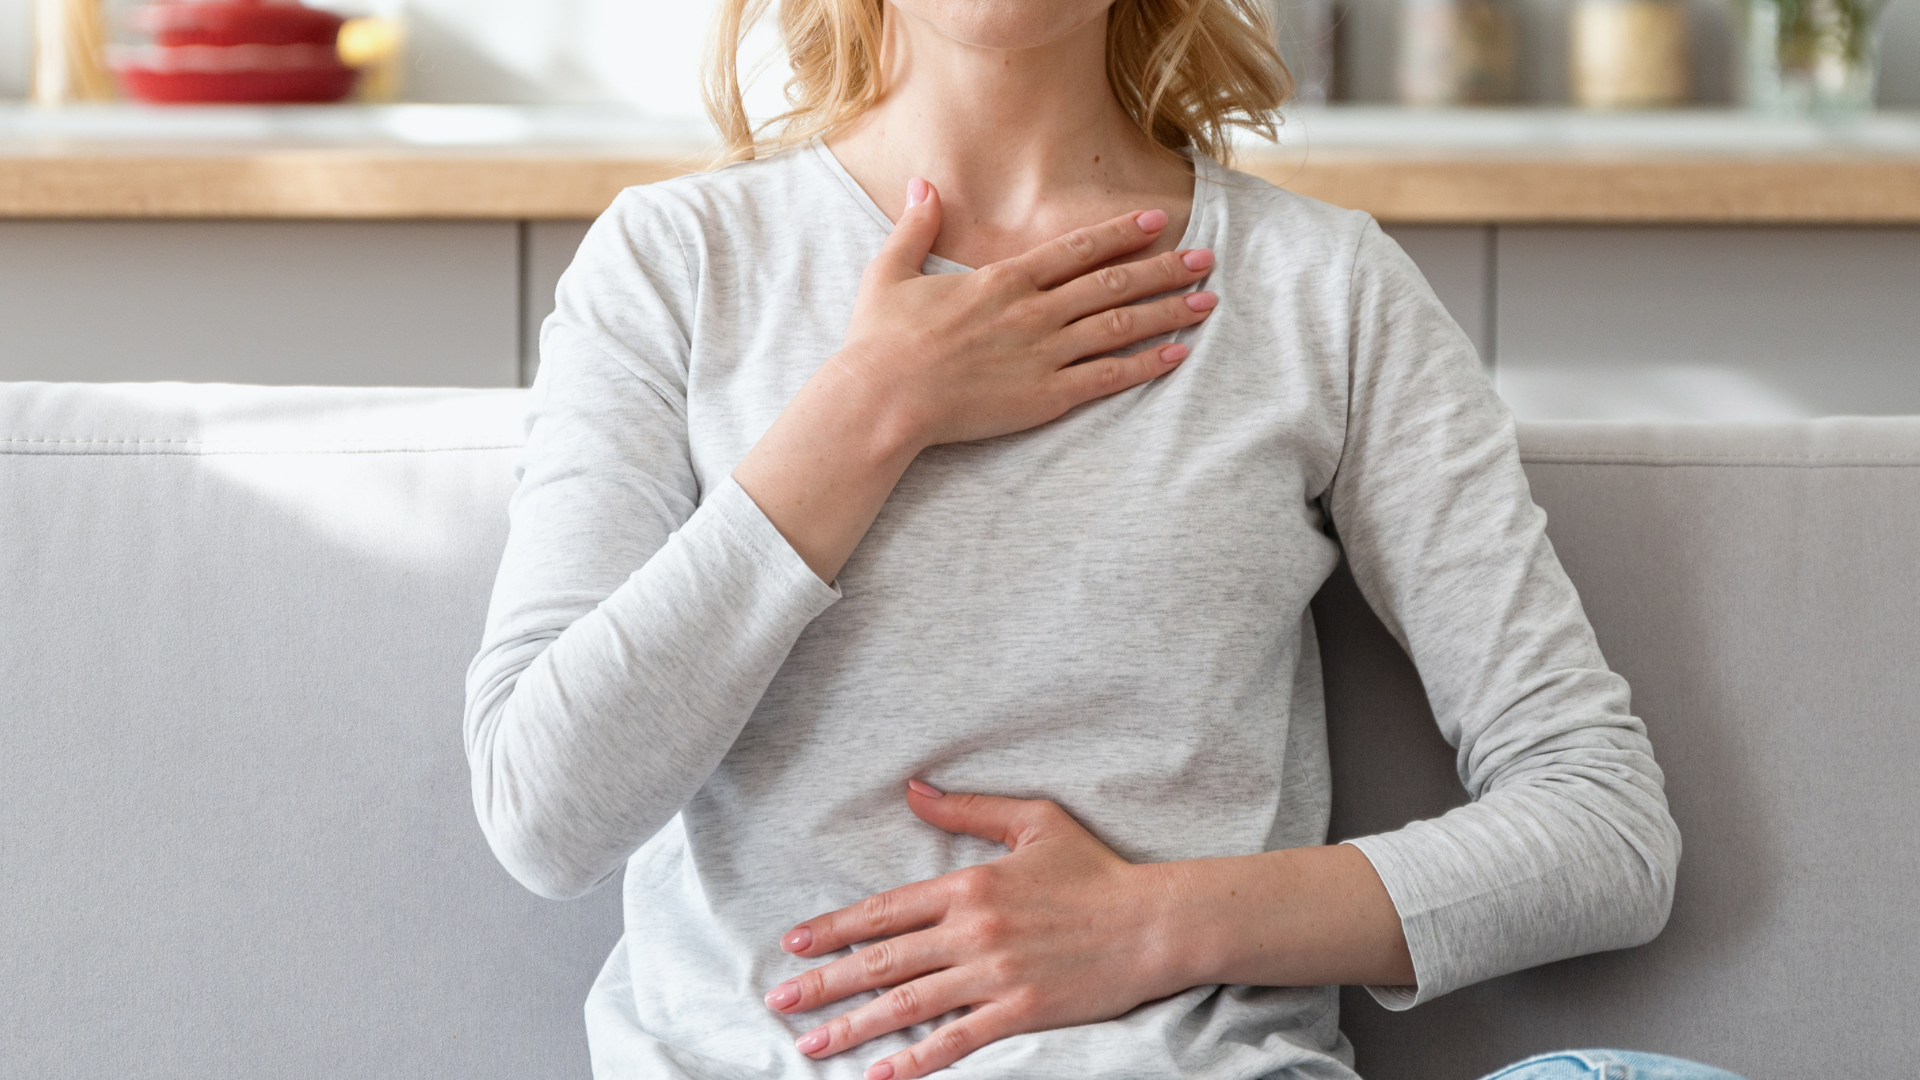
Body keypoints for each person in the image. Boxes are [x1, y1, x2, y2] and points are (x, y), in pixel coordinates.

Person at [462, 0, 1732, 1078]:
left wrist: (1157, 926)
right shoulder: (673, 267)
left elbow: (1604, 827)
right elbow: (545, 814)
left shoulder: (1324, 292)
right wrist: (870, 411)